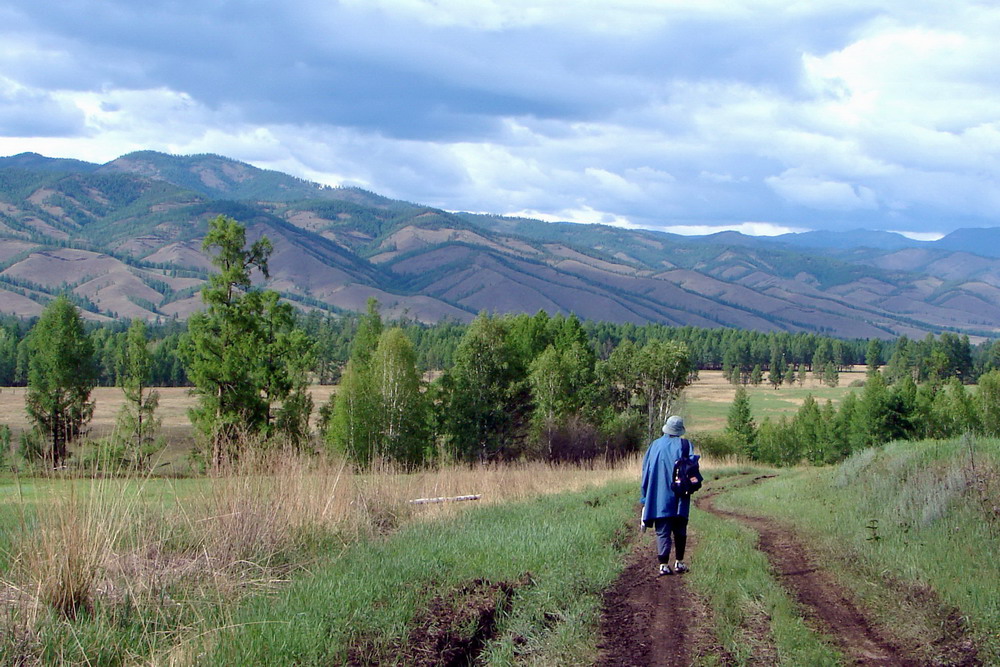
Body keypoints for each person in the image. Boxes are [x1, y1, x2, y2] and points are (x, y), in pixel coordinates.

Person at [639, 415, 693, 575]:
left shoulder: (655, 445)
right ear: (680, 430)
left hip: (659, 495)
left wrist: (645, 496)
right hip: (680, 495)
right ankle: (679, 562)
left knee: (662, 530)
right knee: (680, 527)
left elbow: (646, 472)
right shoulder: (686, 445)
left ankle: (663, 565)